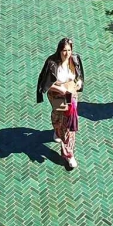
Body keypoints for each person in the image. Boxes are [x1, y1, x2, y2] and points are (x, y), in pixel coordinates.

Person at [36, 37, 85, 169]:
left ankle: (69, 154)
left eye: (69, 50)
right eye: (64, 50)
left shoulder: (74, 60)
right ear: (59, 50)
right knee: (58, 117)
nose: (66, 53)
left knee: (69, 124)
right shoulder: (52, 63)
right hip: (56, 95)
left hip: (71, 94)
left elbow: (79, 76)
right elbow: (45, 84)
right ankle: (57, 130)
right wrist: (60, 88)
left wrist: (78, 82)